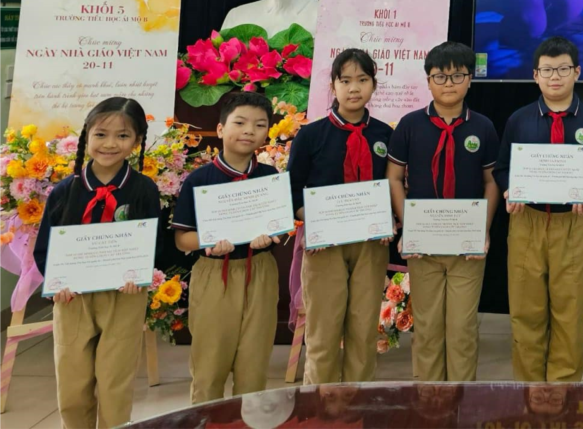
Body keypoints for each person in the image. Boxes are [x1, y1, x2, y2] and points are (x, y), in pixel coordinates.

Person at [493, 36, 583, 381]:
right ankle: (528, 388)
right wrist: (509, 189)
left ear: (577, 72)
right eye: (547, 70)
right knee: (526, 311)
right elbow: (502, 168)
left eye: (563, 69)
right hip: (527, 222)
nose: (555, 77)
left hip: (574, 223)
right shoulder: (519, 119)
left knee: (570, 311)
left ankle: (564, 391)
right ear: (535, 75)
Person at [33, 98, 159, 429]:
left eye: (122, 135)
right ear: (87, 135)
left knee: (115, 384)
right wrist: (56, 282)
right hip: (72, 298)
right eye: (101, 134)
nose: (110, 144)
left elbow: (152, 242)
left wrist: (139, 273)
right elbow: (45, 247)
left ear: (137, 141)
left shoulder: (144, 189)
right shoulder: (65, 190)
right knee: (72, 387)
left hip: (125, 296)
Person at [386, 41, 499, 381]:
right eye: (440, 76)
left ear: (470, 79)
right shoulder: (409, 125)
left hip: (467, 246)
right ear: (428, 80)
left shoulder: (483, 126)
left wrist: (483, 230)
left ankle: (463, 400)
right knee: (427, 329)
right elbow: (394, 178)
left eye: (457, 75)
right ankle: (430, 400)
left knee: (462, 329)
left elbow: (491, 183)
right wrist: (408, 227)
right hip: (424, 245)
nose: (449, 83)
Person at [287, 48, 394, 384]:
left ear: (374, 85)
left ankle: (357, 405)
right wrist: (317, 222)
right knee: (323, 335)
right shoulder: (311, 135)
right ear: (333, 85)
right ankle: (320, 405)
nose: (354, 88)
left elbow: (394, 186)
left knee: (364, 333)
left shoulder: (385, 135)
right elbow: (291, 192)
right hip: (324, 247)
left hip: (371, 245)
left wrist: (391, 219)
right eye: (345, 80)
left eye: (362, 79)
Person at [173, 90, 284, 402]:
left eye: (259, 125)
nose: (249, 131)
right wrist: (210, 242)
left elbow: (278, 228)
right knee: (210, 365)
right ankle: (206, 418)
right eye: (240, 122)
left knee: (254, 364)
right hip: (214, 273)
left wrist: (269, 237)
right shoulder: (199, 180)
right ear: (221, 129)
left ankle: (247, 420)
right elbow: (182, 239)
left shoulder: (269, 176)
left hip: (260, 271)